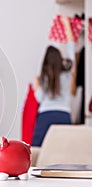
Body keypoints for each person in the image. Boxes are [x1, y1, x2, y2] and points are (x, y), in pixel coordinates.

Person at [32, 17, 74, 147]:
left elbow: (39, 99)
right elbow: (71, 49)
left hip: (46, 115)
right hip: (64, 115)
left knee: (37, 149)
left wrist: (37, 85)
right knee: (64, 150)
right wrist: (67, 24)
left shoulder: (43, 77)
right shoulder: (67, 74)